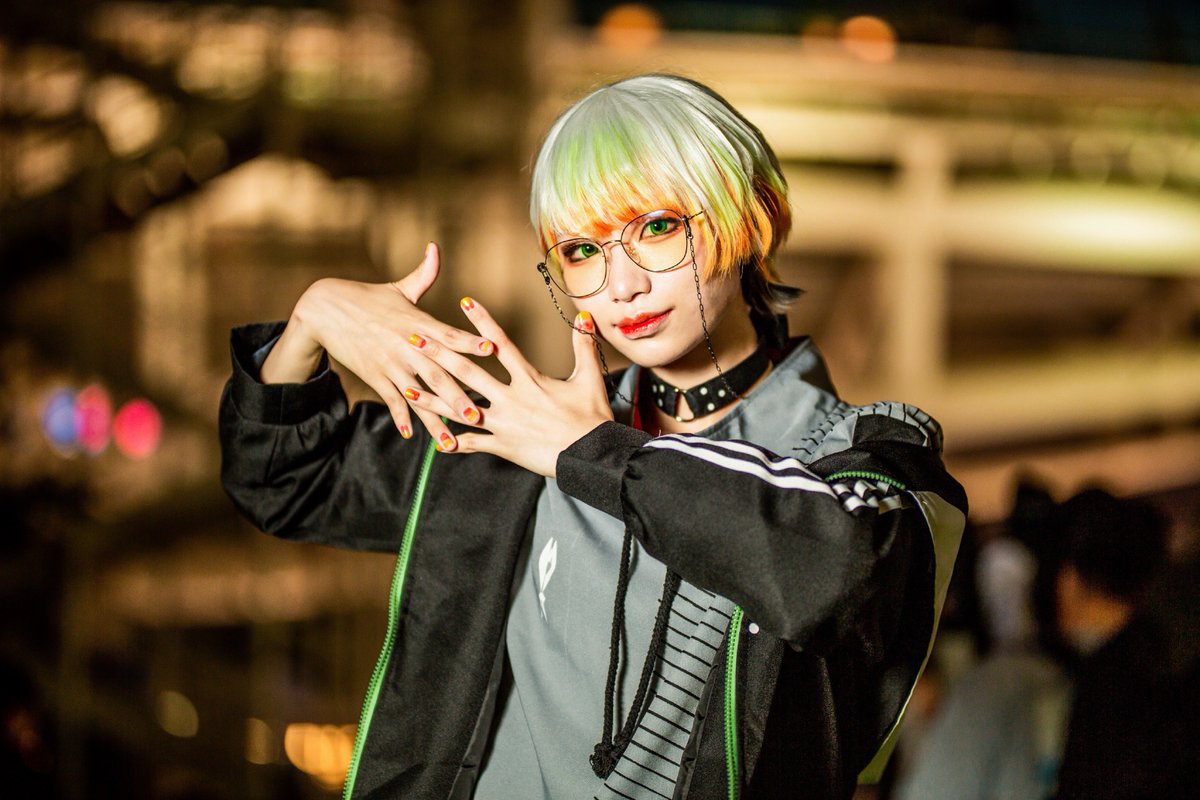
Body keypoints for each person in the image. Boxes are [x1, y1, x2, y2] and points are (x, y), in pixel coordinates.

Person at [219, 74, 967, 799]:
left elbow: (839, 578)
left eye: (657, 228)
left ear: (749, 218)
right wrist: (313, 316)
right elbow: (285, 480)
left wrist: (592, 457)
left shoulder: (863, 451)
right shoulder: (514, 434)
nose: (622, 284)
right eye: (582, 251)